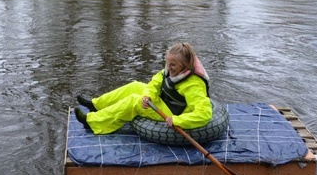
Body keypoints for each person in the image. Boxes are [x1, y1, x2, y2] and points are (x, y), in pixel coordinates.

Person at [74, 43, 213, 135]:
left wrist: (178, 121)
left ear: (184, 65)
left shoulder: (194, 85)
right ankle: (95, 105)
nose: (169, 68)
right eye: (168, 63)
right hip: (166, 100)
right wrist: (148, 95)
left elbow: (205, 113)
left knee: (134, 101)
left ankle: (91, 122)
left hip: (174, 112)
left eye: (173, 65)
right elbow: (156, 82)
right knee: (135, 86)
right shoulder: (172, 70)